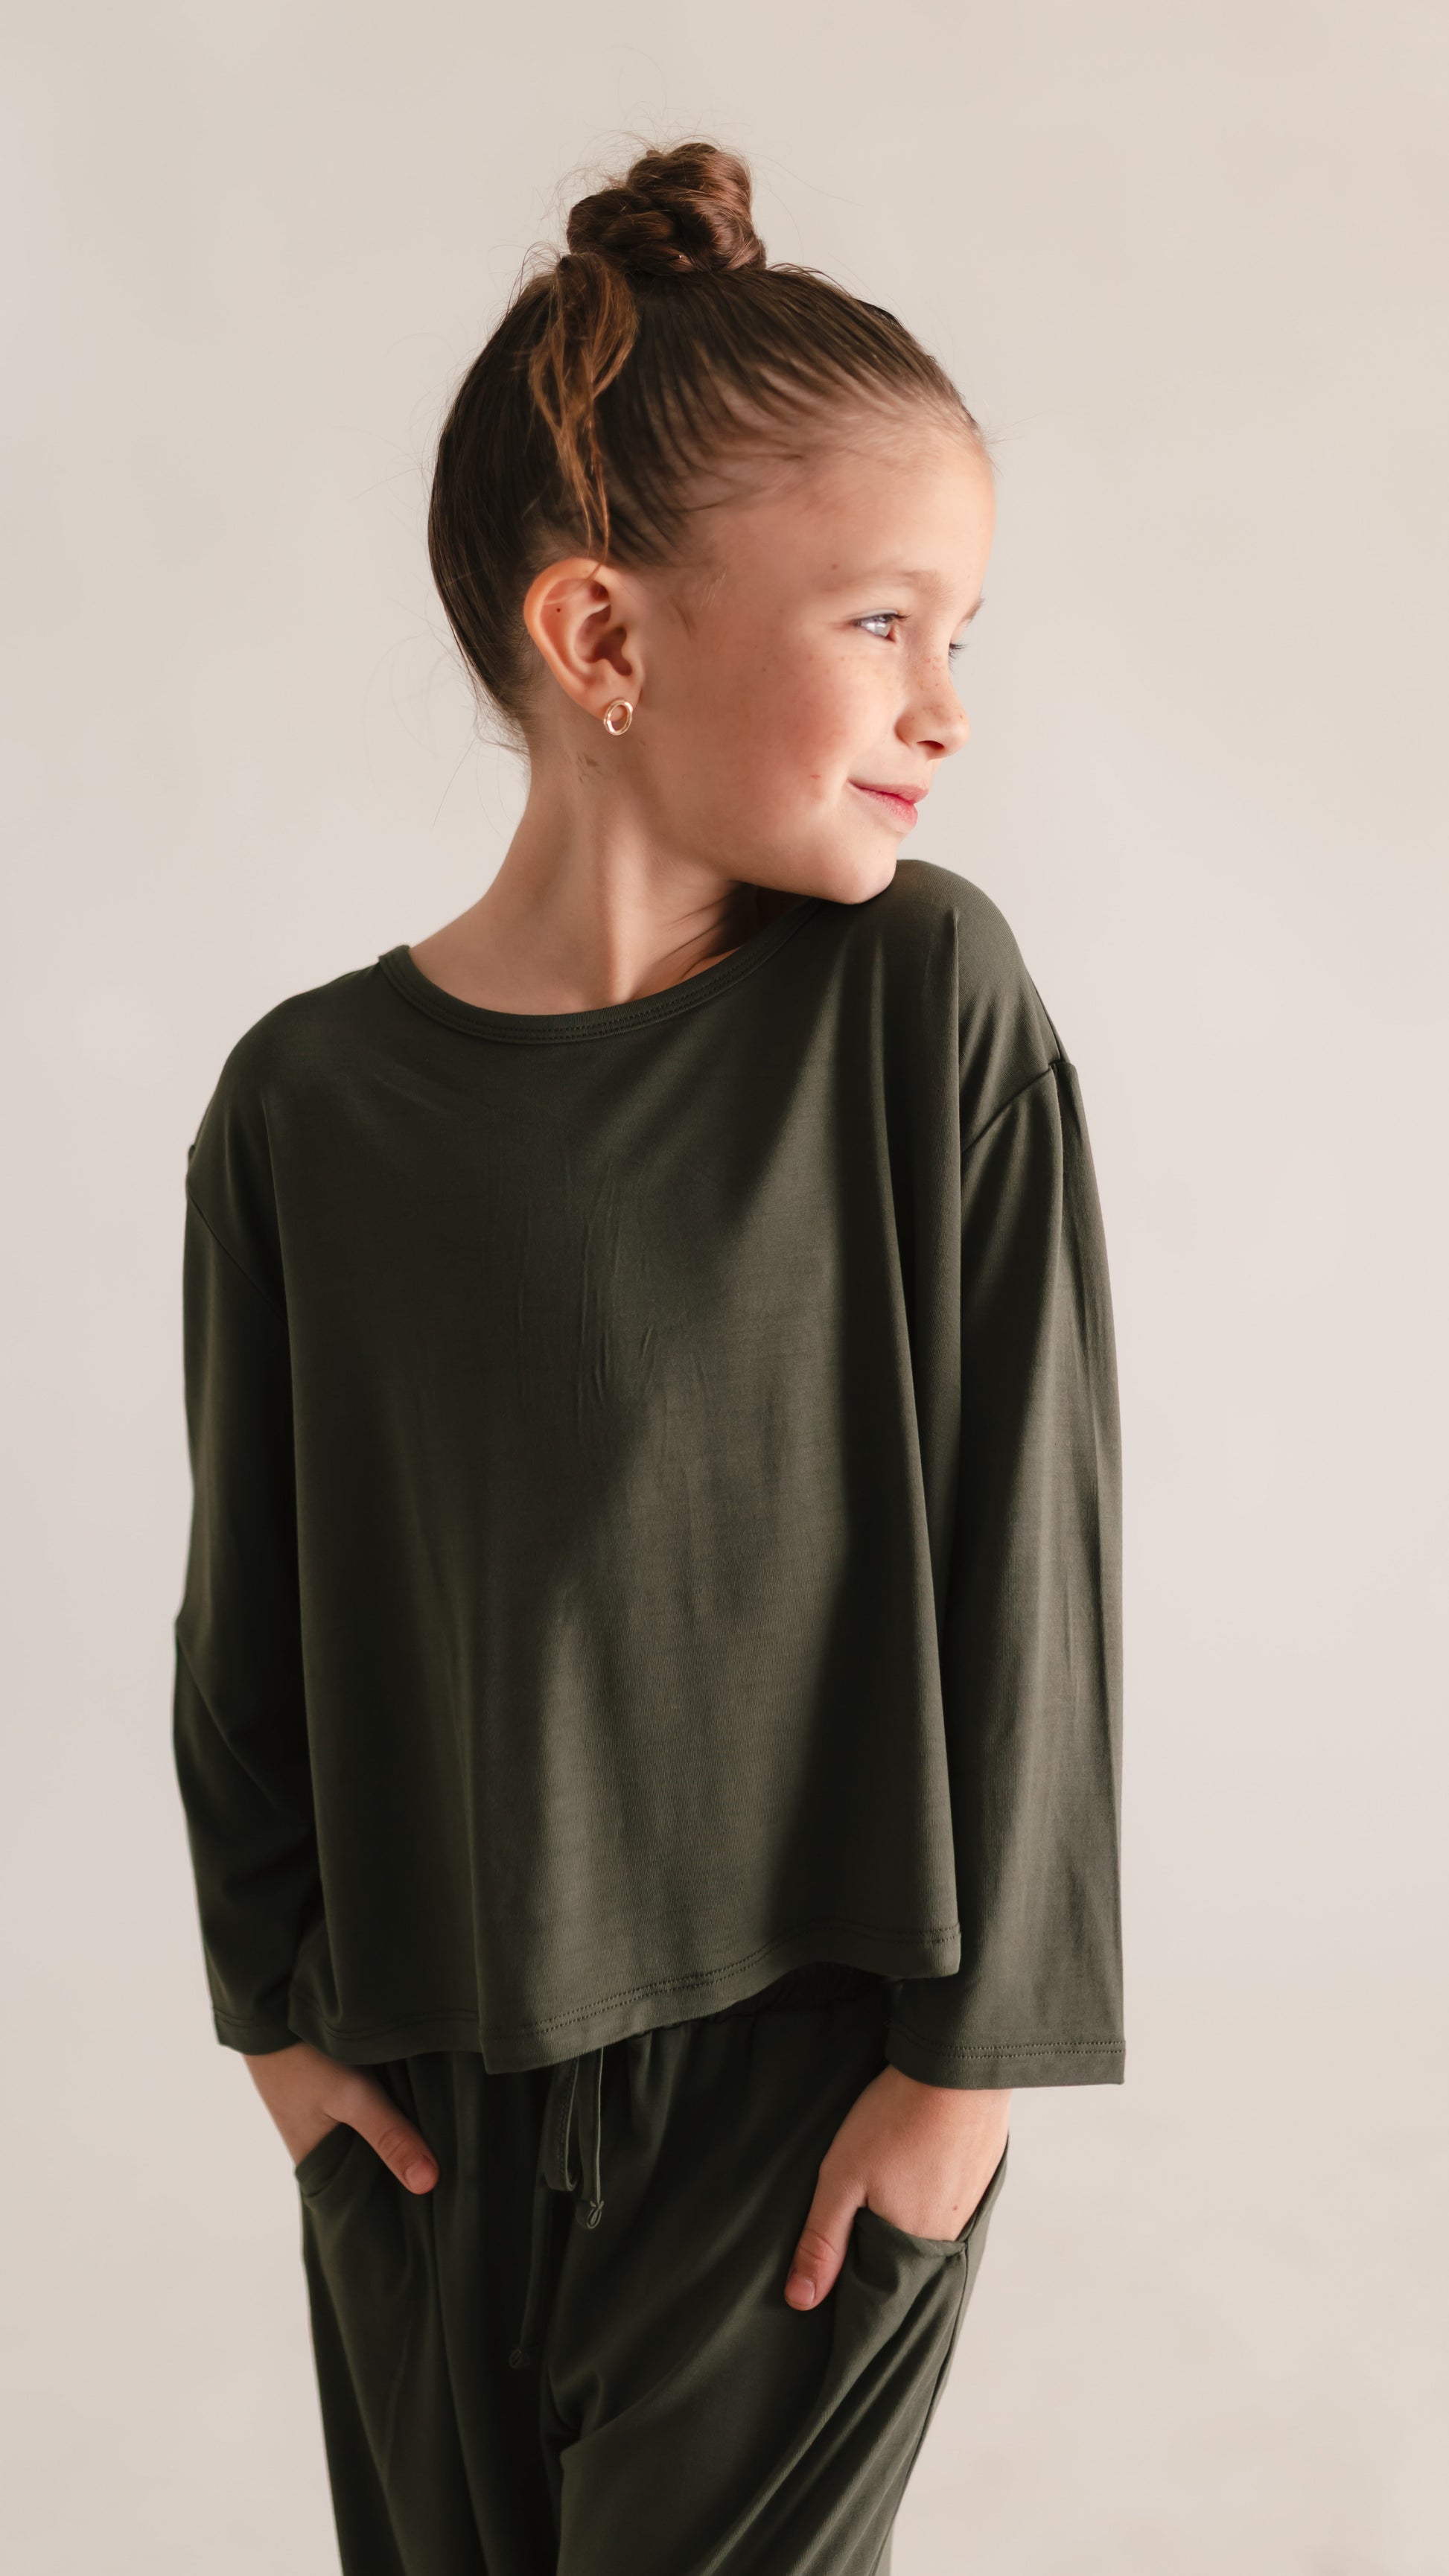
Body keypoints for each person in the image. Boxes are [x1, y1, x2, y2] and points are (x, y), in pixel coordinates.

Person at [172, 139, 1124, 2576]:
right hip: (419, 2111)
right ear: (601, 635)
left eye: (960, 632)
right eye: (885, 622)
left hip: (802, 2101)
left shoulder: (919, 1008)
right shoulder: (308, 1103)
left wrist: (965, 2073)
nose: (944, 708)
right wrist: (276, 2025)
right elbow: (246, 1609)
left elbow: (1031, 1555)